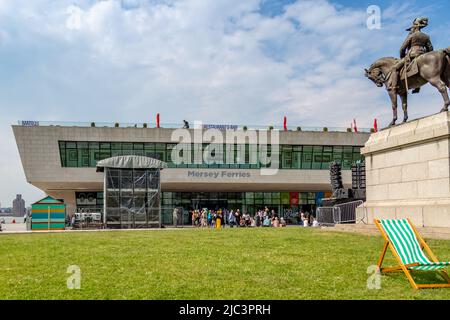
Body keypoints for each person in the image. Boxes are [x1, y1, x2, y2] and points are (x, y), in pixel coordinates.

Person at [388, 17, 434, 93]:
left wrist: (402, 56)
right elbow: (431, 49)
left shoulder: (411, 36)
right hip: (423, 54)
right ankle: (417, 87)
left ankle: (394, 87)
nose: (411, 30)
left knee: (394, 68)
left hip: (412, 54)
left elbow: (402, 48)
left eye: (411, 28)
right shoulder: (426, 36)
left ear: (415, 27)